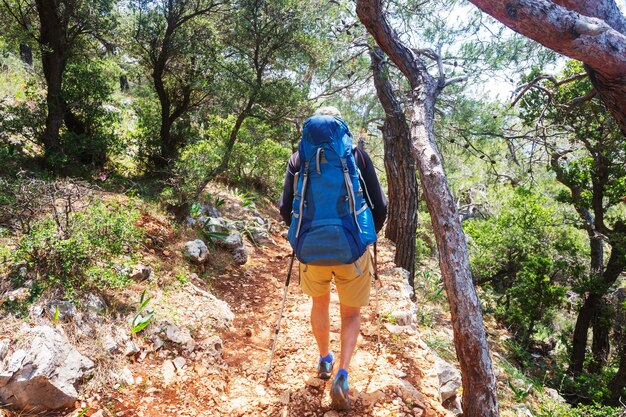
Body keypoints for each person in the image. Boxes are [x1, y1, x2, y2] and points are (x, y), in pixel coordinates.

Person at [278, 106, 387, 410]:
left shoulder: (299, 157)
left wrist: (302, 234)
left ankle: (324, 358)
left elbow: (285, 208)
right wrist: (367, 235)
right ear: (341, 127)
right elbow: (380, 205)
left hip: (311, 250)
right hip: (352, 249)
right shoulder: (356, 156)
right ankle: (342, 373)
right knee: (350, 314)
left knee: (320, 303)